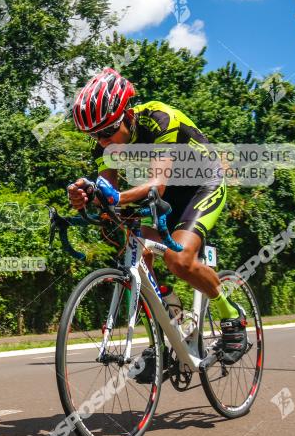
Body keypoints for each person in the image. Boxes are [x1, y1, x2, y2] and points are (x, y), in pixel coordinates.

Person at [66, 67, 247, 366]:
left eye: (108, 132)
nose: (102, 142)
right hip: (160, 196)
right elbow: (107, 191)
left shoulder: (161, 119)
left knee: (179, 260)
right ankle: (170, 328)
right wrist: (85, 197)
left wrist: (113, 196)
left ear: (127, 114)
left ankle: (231, 315)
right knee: (132, 247)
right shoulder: (104, 143)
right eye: (95, 135)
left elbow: (157, 184)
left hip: (201, 185)